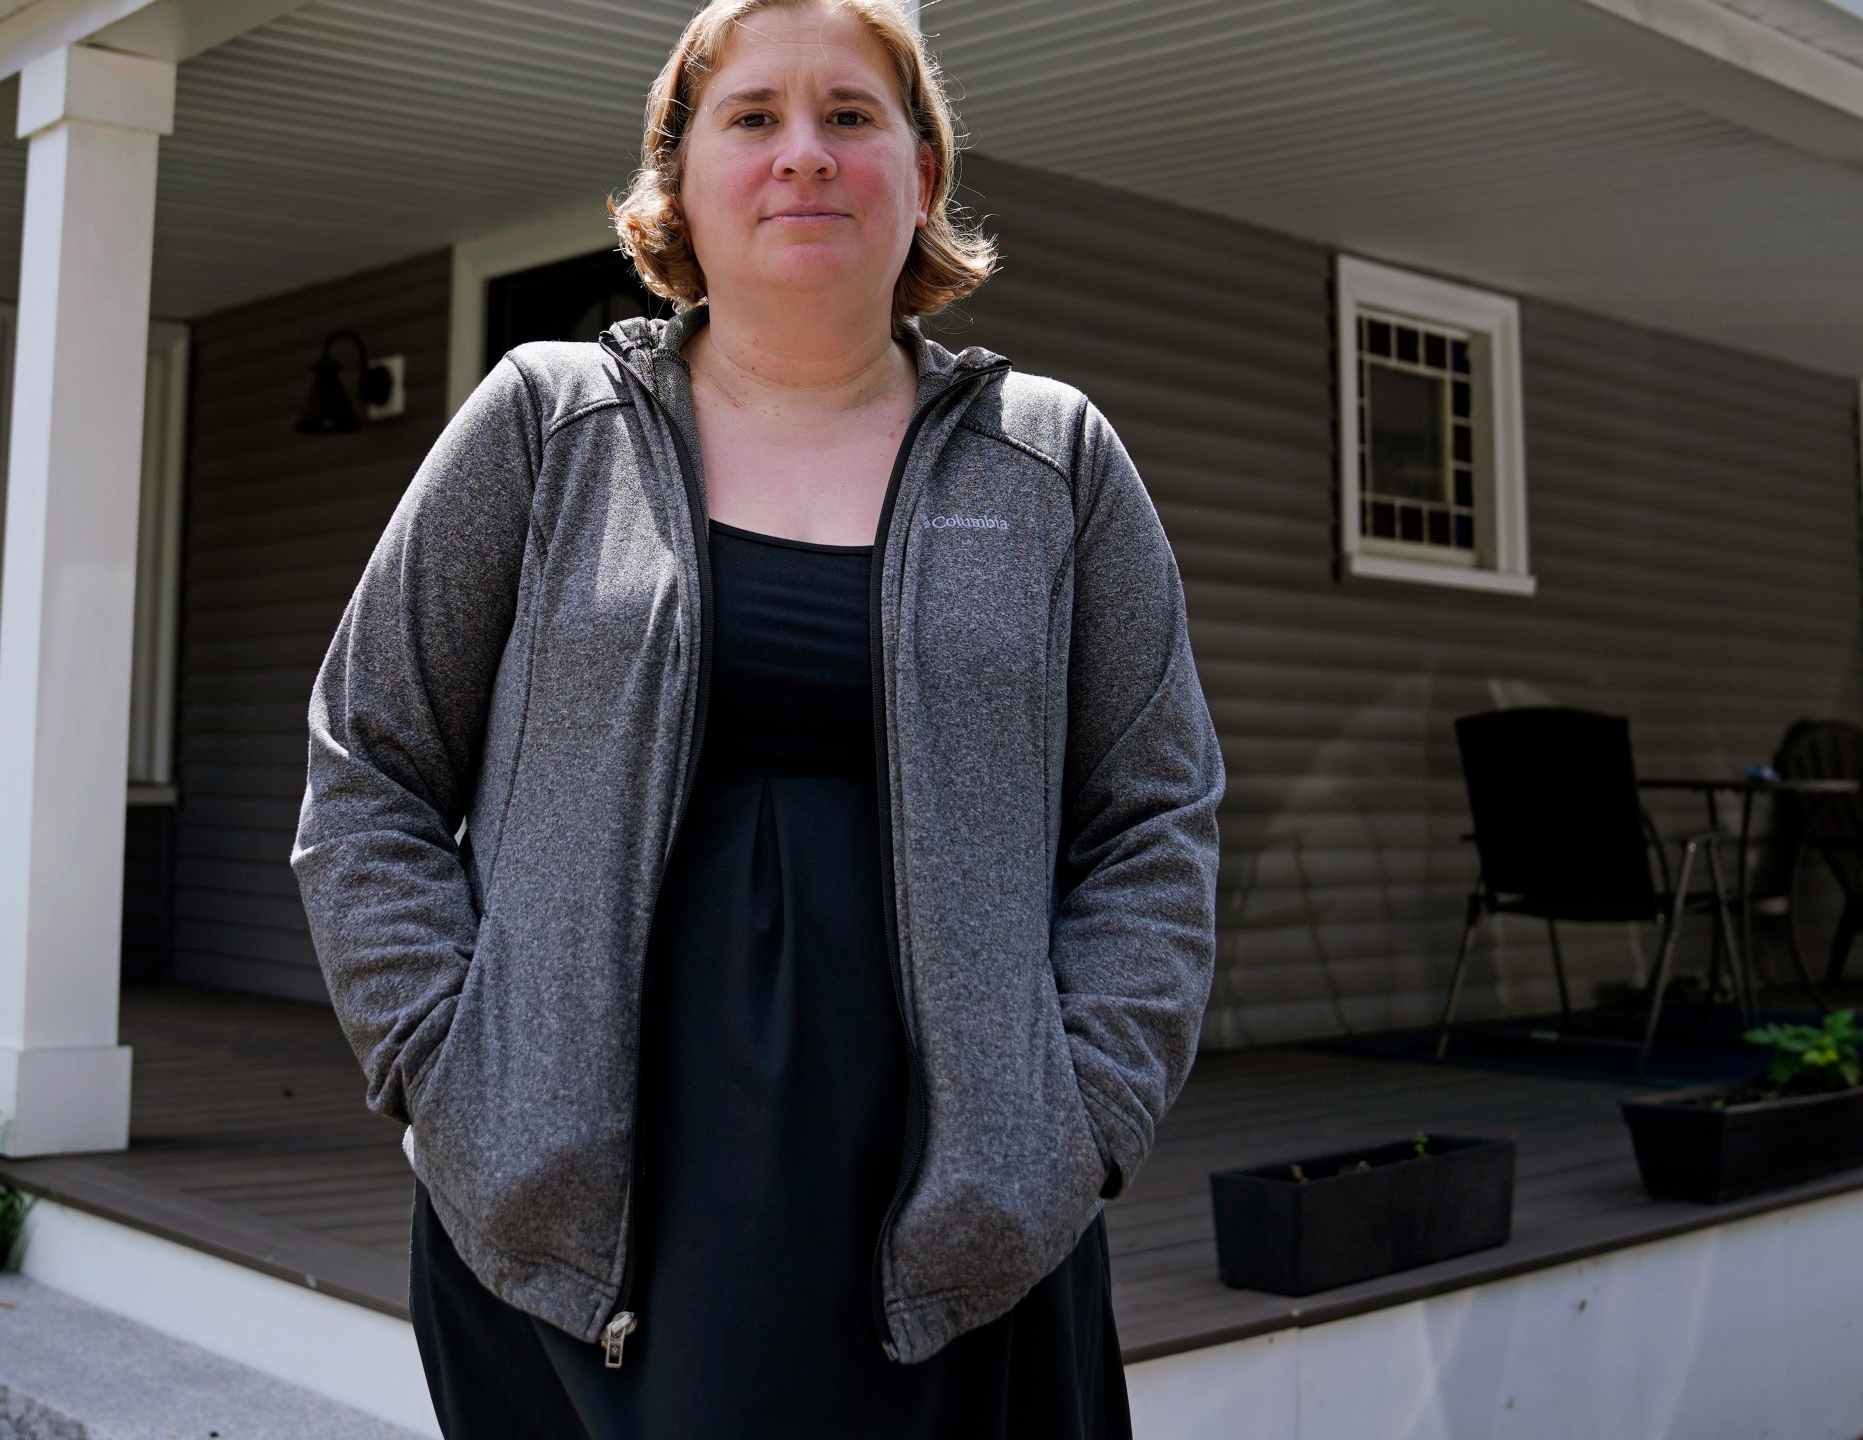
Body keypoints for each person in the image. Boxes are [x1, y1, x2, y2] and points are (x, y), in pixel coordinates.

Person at [290, 0, 1225, 1434]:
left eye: (852, 115)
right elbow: (370, 767)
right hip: (584, 1242)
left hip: (971, 1232)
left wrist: (1077, 1127)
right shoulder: (548, 427)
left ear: (922, 176)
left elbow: (1154, 818)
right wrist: (446, 1074)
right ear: (677, 179)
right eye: (754, 117)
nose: (806, 154)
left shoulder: (1053, 461)